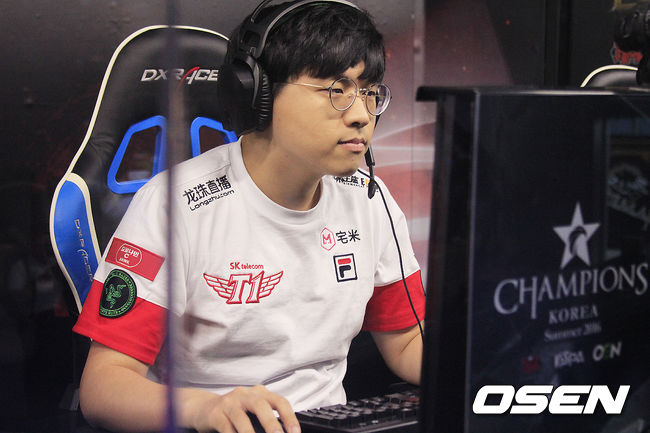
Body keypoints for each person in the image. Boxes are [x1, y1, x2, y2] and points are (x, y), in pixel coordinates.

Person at [73, 1, 426, 432]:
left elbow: (408, 342)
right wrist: (204, 409)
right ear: (258, 93)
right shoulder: (173, 206)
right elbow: (103, 387)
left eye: (369, 93)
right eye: (337, 90)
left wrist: (489, 361)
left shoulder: (369, 199)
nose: (360, 116)